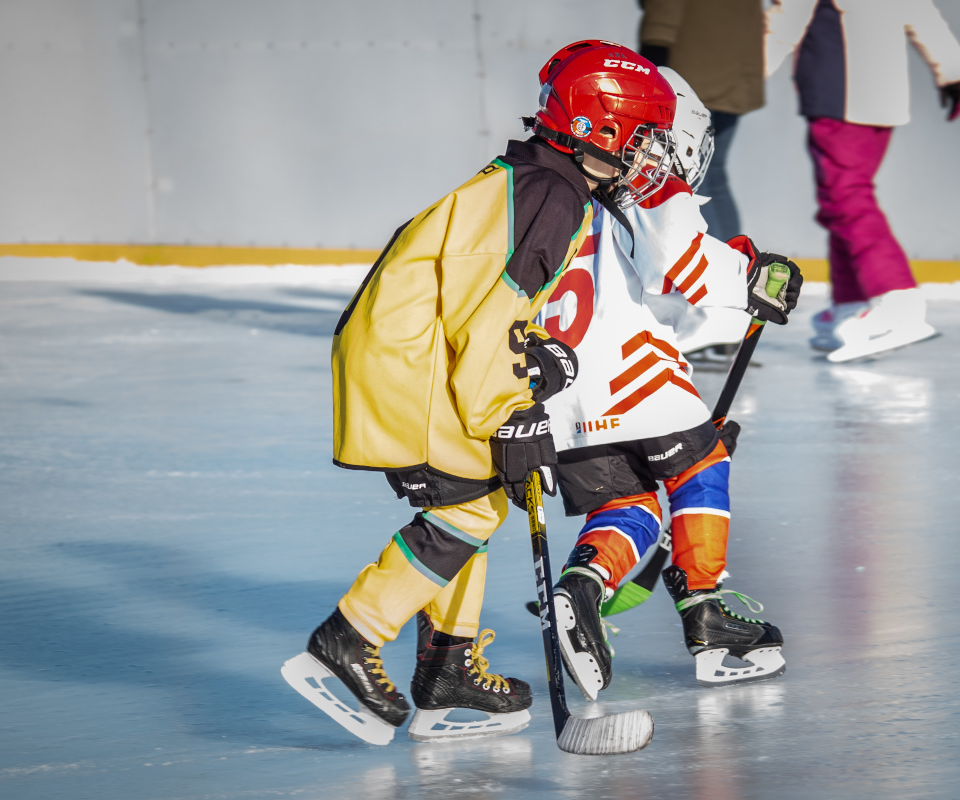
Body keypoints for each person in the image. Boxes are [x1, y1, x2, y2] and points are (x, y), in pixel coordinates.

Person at [281, 40, 679, 744]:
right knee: (466, 512)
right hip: (414, 364)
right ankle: (350, 637)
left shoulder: (539, 180)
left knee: (481, 499)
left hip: (414, 353)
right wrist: (511, 411)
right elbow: (486, 314)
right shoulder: (552, 196)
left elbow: (492, 305)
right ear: (598, 128)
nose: (650, 157)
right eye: (644, 138)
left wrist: (533, 356)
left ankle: (447, 668)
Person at [536, 64, 802, 698]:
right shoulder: (649, 177)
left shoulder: (559, 183)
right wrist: (750, 278)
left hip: (555, 392)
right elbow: (682, 264)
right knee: (702, 458)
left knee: (628, 504)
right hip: (631, 374)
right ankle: (705, 609)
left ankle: (584, 584)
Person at [766, 0, 960, 362]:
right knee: (839, 203)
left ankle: (898, 297)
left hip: (840, 94)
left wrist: (740, 77)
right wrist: (952, 72)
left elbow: (786, 20)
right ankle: (850, 304)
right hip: (882, 97)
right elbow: (921, 13)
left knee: (846, 198)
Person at [638, 0, 767, 243]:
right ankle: (737, 261)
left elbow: (663, 12)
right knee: (713, 173)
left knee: (692, 174)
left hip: (690, 70)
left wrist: (652, 67)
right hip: (737, 71)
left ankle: (718, 267)